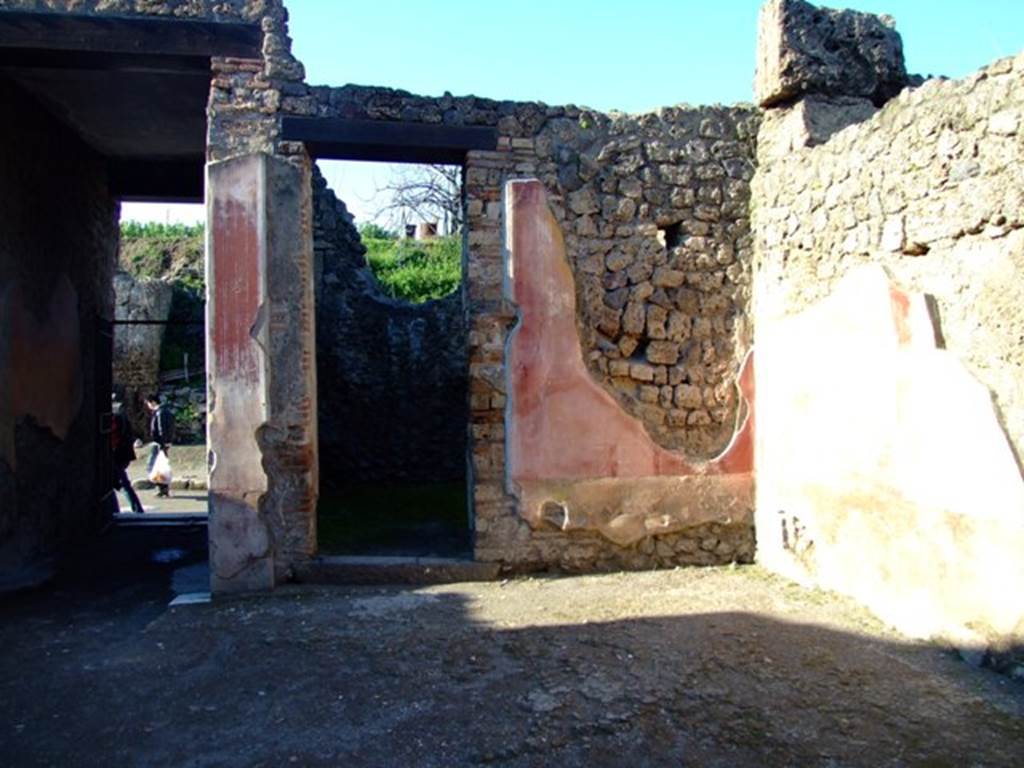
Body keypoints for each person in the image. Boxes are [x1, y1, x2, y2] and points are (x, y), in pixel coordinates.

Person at [111, 399, 145, 515]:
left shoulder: (114, 420)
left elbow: (114, 439)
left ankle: (134, 509)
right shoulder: (123, 418)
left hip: (115, 456)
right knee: (119, 484)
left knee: (121, 484)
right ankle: (134, 509)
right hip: (123, 455)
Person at [145, 394, 176, 498]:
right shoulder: (166, 411)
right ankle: (163, 489)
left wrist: (162, 443)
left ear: (153, 402)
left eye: (148, 403)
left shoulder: (160, 413)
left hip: (159, 443)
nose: (148, 406)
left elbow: (161, 429)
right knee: (161, 466)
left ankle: (161, 488)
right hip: (164, 443)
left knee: (153, 465)